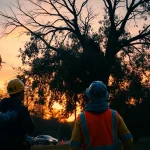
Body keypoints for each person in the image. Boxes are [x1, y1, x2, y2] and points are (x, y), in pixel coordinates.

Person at [69, 81, 133, 150]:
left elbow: (74, 147)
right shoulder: (115, 115)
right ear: (105, 97)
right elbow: (128, 141)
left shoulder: (81, 119)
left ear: (89, 97)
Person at [0, 78, 35, 150]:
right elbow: (31, 127)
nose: (24, 94)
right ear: (20, 93)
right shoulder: (21, 108)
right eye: (23, 91)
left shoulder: (2, 104)